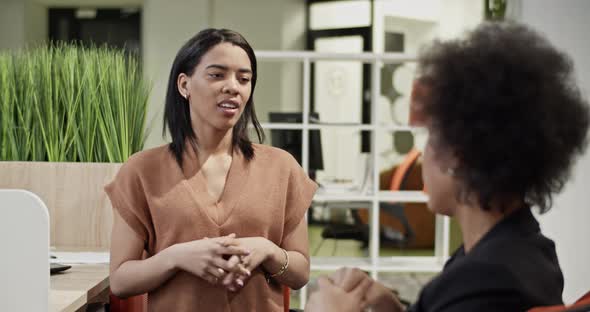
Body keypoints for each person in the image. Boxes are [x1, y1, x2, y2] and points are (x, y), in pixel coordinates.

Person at [306, 21, 589, 312]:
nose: (424, 154)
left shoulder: (485, 279)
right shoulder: (524, 249)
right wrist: (391, 306)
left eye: (430, 137)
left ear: (457, 155)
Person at [105, 28, 318, 311]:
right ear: (185, 85)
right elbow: (120, 280)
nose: (233, 86)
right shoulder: (142, 170)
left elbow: (300, 273)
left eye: (244, 79)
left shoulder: (282, 167)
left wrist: (268, 251)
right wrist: (177, 257)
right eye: (217, 75)